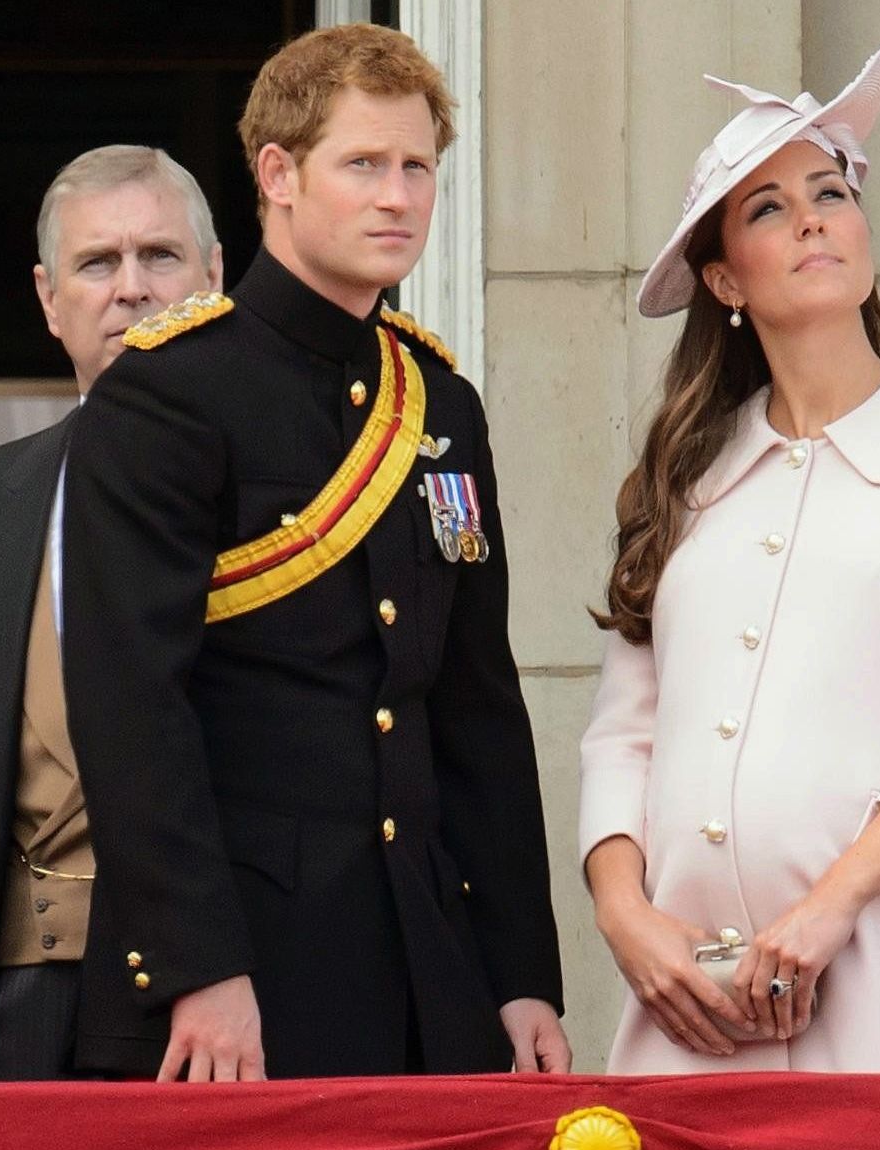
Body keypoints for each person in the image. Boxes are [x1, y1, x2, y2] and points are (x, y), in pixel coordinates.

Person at [58, 24, 567, 1081]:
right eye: (364, 164)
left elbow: (475, 706)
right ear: (278, 175)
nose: (398, 197)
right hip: (241, 974)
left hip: (429, 971)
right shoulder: (165, 395)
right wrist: (198, 967)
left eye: (417, 166)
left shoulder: (441, 406)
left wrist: (520, 972)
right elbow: (130, 705)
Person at [579, 38, 880, 1073]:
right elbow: (623, 735)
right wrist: (627, 918)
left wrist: (832, 905)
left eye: (830, 191)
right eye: (767, 208)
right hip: (691, 1001)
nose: (811, 219)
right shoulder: (686, 475)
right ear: (722, 278)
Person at [0, 146, 223, 1080]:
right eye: (97, 264)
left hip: (224, 1003)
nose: (132, 291)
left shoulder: (304, 494)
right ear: (47, 297)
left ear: (215, 276)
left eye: (160, 257)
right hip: (8, 1007)